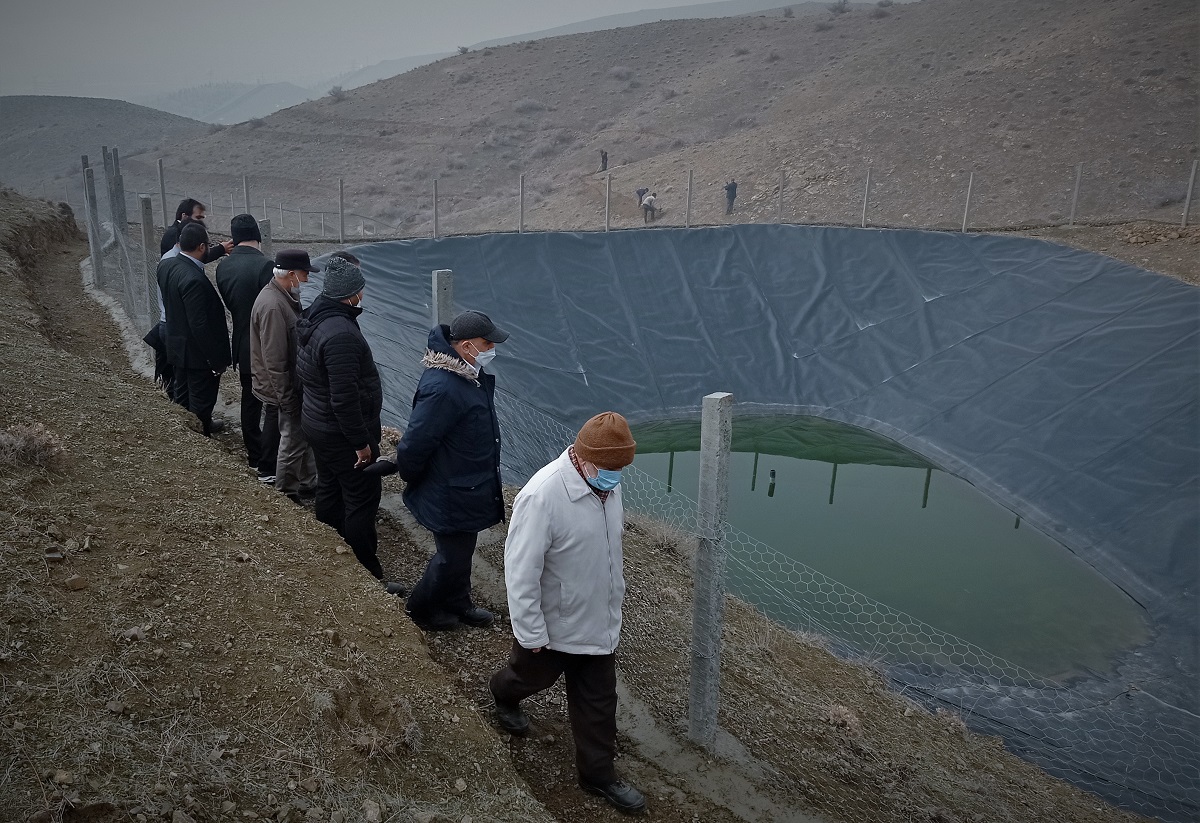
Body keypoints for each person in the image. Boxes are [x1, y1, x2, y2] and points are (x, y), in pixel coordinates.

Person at [489, 412, 646, 816]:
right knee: (530, 677)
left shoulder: (607, 485)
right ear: (585, 458)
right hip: (553, 626)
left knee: (599, 701)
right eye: (610, 468)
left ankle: (597, 775)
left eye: (621, 468)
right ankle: (503, 693)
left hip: (597, 623)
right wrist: (531, 633)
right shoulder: (543, 496)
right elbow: (521, 571)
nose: (615, 476)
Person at [369, 310, 508, 632]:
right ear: (466, 346)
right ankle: (421, 609)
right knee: (451, 557)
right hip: (451, 488)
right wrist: (411, 474)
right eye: (487, 343)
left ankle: (458, 602)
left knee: (462, 550)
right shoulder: (445, 387)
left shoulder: (467, 375)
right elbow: (417, 441)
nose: (491, 348)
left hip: (466, 484)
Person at [295, 256, 401, 593]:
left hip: (317, 421)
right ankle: (367, 574)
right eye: (361, 288)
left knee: (330, 486)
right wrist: (361, 444)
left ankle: (330, 551)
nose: (363, 294)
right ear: (351, 294)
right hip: (340, 433)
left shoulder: (316, 316)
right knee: (361, 498)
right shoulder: (340, 334)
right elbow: (344, 398)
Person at [250, 248, 319, 503]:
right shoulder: (273, 306)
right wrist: (287, 398)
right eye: (304, 273)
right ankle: (287, 493)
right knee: (292, 440)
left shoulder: (283, 297)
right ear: (291, 274)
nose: (307, 279)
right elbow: (275, 360)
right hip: (283, 387)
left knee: (301, 438)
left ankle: (308, 483)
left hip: (288, 384)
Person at [155, 222, 231, 436]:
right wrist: (214, 361)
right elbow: (199, 325)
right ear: (201, 247)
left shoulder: (167, 266)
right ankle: (200, 438)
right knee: (201, 404)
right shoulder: (194, 279)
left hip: (176, 346)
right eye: (208, 245)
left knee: (182, 397)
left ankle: (184, 436)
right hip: (197, 356)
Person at [215, 215, 275, 474]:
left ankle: (254, 454)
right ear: (257, 236)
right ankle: (270, 458)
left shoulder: (223, 268)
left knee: (249, 401)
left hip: (241, 342)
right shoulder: (265, 265)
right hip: (265, 345)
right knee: (273, 404)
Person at [160, 198, 231, 262]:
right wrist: (221, 249)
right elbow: (194, 255)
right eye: (198, 218)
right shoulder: (174, 233)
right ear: (184, 216)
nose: (201, 222)